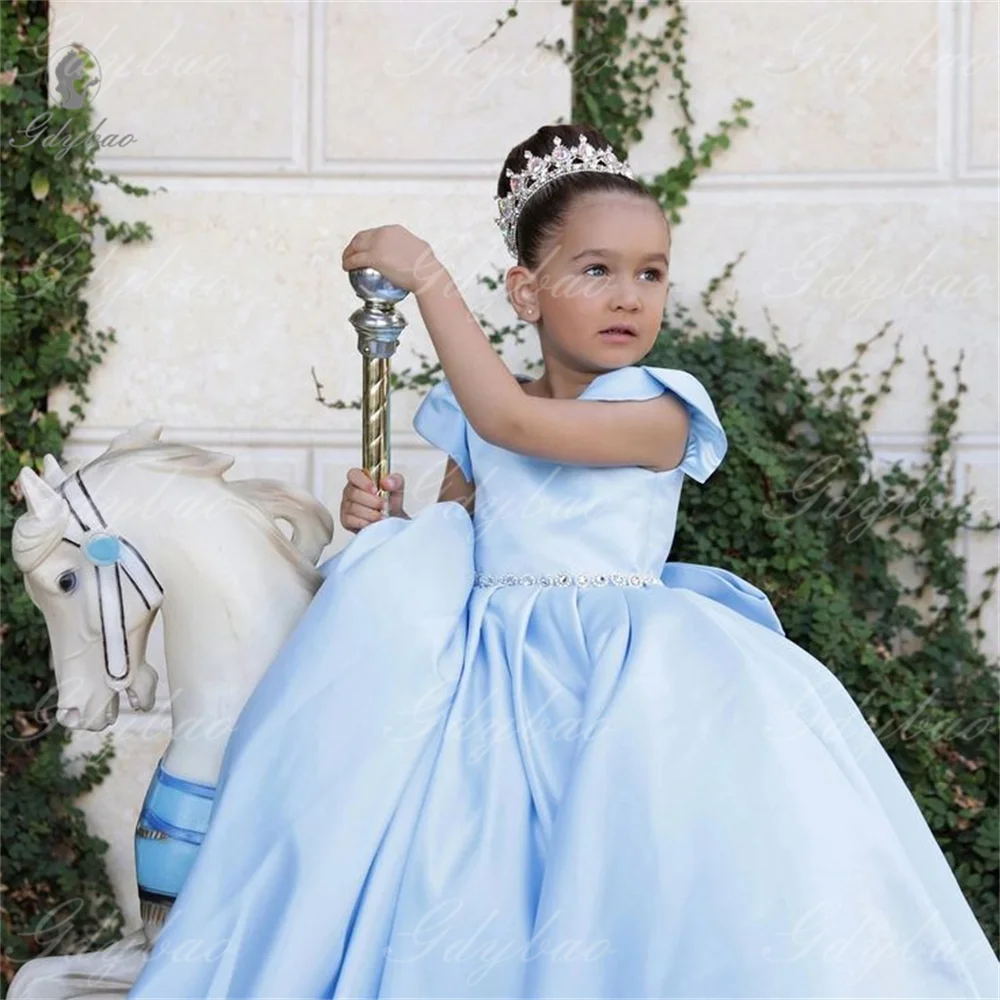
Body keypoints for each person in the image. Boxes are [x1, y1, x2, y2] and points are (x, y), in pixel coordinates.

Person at [128, 124, 998, 999]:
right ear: (525, 291)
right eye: (596, 269)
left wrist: (427, 276)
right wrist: (389, 523)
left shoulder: (657, 410)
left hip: (618, 674)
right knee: (471, 870)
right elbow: (459, 533)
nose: (629, 295)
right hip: (485, 679)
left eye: (650, 272)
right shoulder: (481, 415)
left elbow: (514, 422)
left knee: (625, 867)